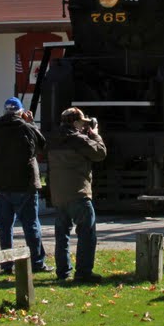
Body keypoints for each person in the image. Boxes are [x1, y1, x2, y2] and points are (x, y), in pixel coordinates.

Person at [0, 96, 52, 275]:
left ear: (5, 111)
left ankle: (7, 264)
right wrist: (31, 123)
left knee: (5, 227)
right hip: (25, 183)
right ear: (21, 112)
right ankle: (37, 262)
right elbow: (43, 145)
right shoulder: (25, 127)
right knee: (31, 224)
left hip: (2, 184)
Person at [47, 107, 107, 283]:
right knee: (87, 234)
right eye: (82, 122)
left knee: (62, 235)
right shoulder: (80, 140)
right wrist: (95, 134)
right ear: (75, 122)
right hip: (78, 193)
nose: (83, 126)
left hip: (58, 195)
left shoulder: (53, 139)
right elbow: (100, 153)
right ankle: (83, 272)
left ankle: (62, 271)